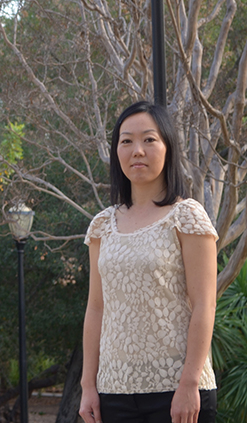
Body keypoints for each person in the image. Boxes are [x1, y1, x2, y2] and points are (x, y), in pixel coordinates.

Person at [79, 101, 218, 423]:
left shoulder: (187, 216)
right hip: (113, 392)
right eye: (126, 141)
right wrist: (88, 385)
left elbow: (204, 305)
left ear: (168, 148)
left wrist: (189, 383)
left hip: (176, 391)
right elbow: (96, 307)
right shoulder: (102, 225)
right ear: (116, 152)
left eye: (149, 139)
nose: (137, 150)